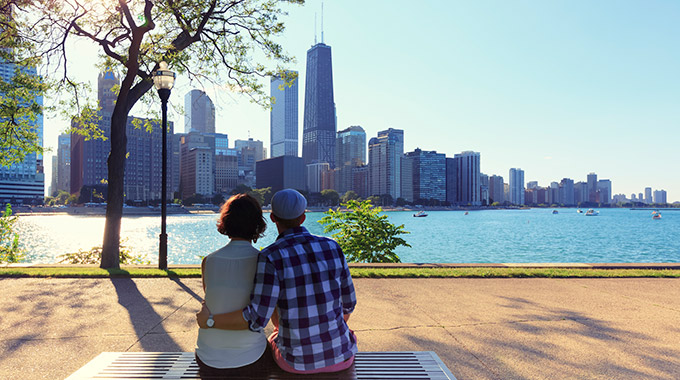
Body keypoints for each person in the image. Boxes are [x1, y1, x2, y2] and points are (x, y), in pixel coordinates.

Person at [197, 188, 357, 374]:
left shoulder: (271, 256)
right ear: (303, 217)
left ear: (273, 218)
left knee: (275, 337)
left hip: (296, 363)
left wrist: (209, 320)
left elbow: (257, 318)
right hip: (342, 356)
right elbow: (349, 304)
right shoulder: (332, 246)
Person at [194, 193, 271, 375]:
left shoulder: (209, 261)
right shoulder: (264, 262)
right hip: (250, 359)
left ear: (226, 223)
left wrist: (210, 321)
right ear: (257, 224)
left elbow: (213, 301)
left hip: (207, 358)